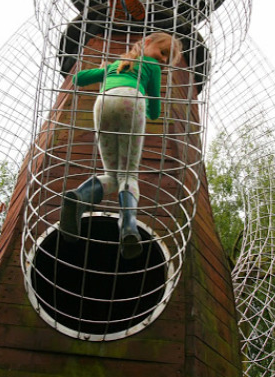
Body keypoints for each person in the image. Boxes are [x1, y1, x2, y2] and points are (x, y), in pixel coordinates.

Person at [60, 32, 183, 259]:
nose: (163, 60)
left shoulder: (115, 66)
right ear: (146, 43)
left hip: (102, 104)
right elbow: (155, 106)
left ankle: (78, 197)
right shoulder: (152, 66)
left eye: (167, 58)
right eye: (163, 52)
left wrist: (103, 68)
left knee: (113, 174)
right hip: (131, 102)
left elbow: (78, 79)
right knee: (129, 175)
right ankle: (128, 227)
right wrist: (149, 113)